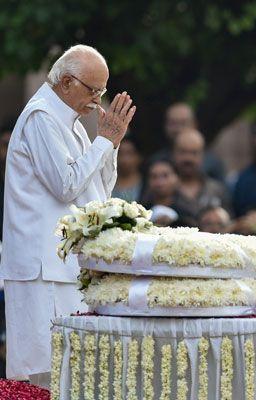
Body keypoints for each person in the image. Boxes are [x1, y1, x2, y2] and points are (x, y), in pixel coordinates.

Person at [0, 45, 135, 387]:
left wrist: (111, 145)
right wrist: (103, 142)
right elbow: (66, 185)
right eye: (93, 90)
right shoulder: (41, 116)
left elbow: (99, 194)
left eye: (102, 91)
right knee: (44, 377)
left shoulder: (71, 124)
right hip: (41, 270)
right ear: (65, 82)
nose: (96, 99)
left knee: (73, 374)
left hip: (64, 268)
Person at [149, 102, 226, 182]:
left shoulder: (212, 163)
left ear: (194, 124)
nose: (178, 128)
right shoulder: (156, 161)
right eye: (173, 123)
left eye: (183, 123)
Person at [172, 128, 231, 220]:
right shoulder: (161, 189)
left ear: (203, 155)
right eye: (183, 152)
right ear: (174, 153)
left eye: (194, 153)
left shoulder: (217, 190)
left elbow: (228, 224)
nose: (188, 158)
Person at [141, 159, 193, 225]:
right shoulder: (140, 209)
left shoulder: (188, 209)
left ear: (177, 178)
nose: (159, 182)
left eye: (165, 176)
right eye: (154, 177)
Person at [112, 136, 143, 202]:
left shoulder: (146, 184)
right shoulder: (107, 182)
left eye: (129, 153)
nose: (124, 159)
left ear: (139, 157)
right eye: (120, 154)